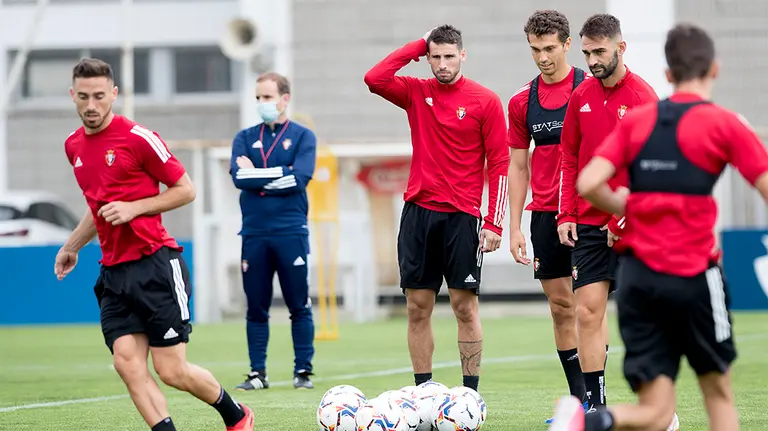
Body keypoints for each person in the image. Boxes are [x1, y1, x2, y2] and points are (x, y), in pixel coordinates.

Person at [548, 22, 768, 431]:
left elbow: (588, 182)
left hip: (640, 276)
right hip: (696, 275)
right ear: (714, 70)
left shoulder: (639, 119)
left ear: (668, 74)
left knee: (657, 412)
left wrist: (626, 206)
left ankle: (591, 418)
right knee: (718, 395)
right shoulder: (726, 123)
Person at [55, 58, 254, 431]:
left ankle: (237, 415)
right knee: (126, 362)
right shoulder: (73, 146)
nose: (92, 105)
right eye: (83, 97)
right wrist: (74, 245)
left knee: (171, 370)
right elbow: (98, 206)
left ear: (114, 94)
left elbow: (186, 190)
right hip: (114, 273)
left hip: (157, 264)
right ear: (73, 96)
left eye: (99, 96)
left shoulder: (137, 138)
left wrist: (134, 208)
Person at [364, 25, 509, 392]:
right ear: (427, 57)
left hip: (463, 218)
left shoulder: (486, 100)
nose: (442, 64)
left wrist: (494, 222)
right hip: (418, 215)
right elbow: (374, 78)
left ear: (463, 55)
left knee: (464, 307)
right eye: (435, 56)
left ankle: (470, 394)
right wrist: (416, 43)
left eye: (449, 56)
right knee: (417, 307)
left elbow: (501, 163)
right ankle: (423, 391)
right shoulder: (416, 92)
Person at [556, 13, 658, 412]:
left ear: (621, 47)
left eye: (600, 51)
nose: (593, 60)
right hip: (587, 224)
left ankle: (656, 405)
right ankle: (595, 408)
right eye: (587, 52)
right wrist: (565, 213)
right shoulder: (580, 95)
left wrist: (622, 220)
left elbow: (650, 166)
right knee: (586, 311)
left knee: (642, 317)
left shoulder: (644, 97)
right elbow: (568, 157)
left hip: (635, 225)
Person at [506, 10, 589, 420]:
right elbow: (517, 166)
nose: (542, 57)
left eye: (550, 48)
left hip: (589, 213)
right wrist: (514, 226)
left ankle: (597, 395)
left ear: (567, 45)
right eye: (535, 49)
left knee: (590, 307)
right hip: (544, 215)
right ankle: (578, 400)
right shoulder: (522, 100)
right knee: (561, 306)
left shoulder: (589, 89)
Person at [229, 72, 317, 391]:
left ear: (284, 99)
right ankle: (257, 373)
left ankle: (303, 372)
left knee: (298, 304)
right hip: (254, 234)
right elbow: (239, 179)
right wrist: (279, 175)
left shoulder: (304, 137)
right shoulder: (244, 137)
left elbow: (300, 178)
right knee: (256, 306)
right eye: (258, 98)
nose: (261, 104)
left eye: (267, 97)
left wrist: (258, 176)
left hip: (290, 231)